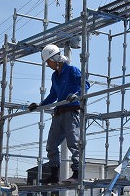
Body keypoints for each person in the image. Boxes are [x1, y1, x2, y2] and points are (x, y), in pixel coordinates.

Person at [29, 43, 89, 183]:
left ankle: (77, 174)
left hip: (71, 111)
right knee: (51, 144)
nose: (48, 65)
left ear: (55, 59)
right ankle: (54, 175)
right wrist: (40, 105)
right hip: (59, 112)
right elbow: (53, 95)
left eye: (49, 61)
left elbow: (85, 85)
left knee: (74, 143)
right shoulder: (54, 76)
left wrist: (77, 95)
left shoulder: (72, 70)